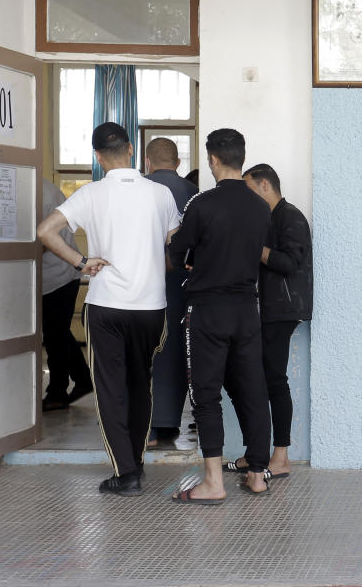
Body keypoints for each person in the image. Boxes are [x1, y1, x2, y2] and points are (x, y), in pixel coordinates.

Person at [37, 122, 180, 497]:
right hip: (151, 307)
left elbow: (45, 231)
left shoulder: (91, 194)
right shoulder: (160, 193)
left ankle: (126, 474)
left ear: (98, 157)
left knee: (111, 390)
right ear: (132, 150)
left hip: (107, 307)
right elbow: (174, 246)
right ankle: (136, 462)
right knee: (140, 384)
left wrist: (81, 261)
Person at [167, 128, 273, 504]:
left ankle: (213, 483)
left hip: (208, 311)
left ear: (212, 159)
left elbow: (177, 253)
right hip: (247, 310)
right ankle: (258, 475)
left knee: (206, 395)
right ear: (241, 158)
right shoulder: (261, 207)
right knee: (253, 390)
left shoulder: (202, 204)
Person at [218, 164, 312, 478]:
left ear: (264, 185)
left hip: (280, 312)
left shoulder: (291, 217)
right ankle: (254, 452)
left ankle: (280, 457)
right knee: (247, 380)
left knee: (274, 380)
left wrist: (256, 249)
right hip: (258, 312)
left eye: (248, 188)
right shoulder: (264, 217)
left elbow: (291, 262)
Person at [144, 138, 198, 447]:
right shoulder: (194, 194)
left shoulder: (138, 190)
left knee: (145, 354)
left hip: (143, 286)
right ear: (178, 163)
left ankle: (147, 427)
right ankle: (170, 423)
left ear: (147, 162)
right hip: (181, 286)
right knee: (178, 352)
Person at [40, 178, 92, 412]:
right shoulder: (42, 187)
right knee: (57, 332)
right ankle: (82, 379)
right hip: (59, 273)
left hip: (57, 275)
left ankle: (58, 392)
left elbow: (43, 238)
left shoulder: (38, 191)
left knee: (55, 336)